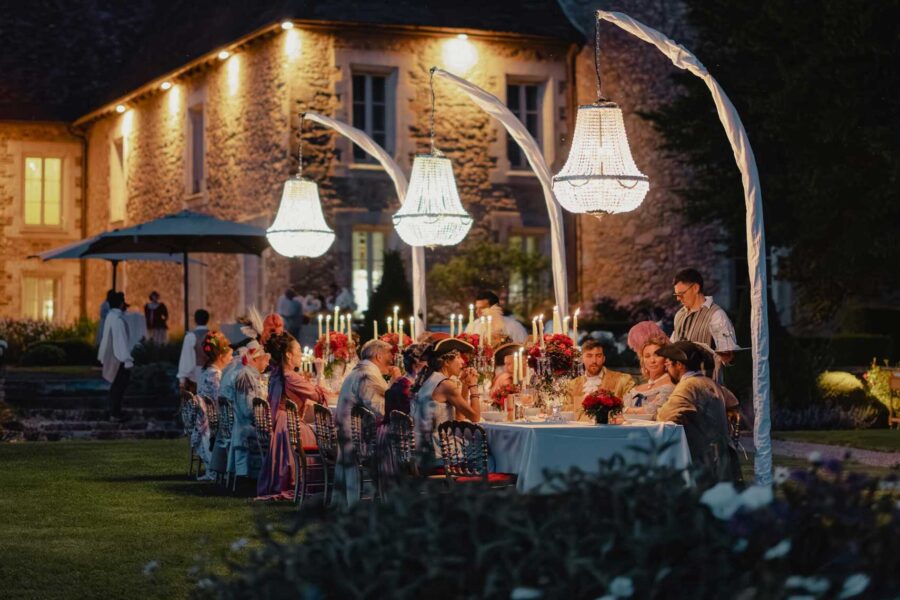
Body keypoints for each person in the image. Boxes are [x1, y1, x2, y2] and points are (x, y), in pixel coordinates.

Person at [655, 341, 742, 483]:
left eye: (669, 364)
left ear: (679, 365)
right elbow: (733, 402)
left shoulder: (689, 385)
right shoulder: (709, 382)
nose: (667, 369)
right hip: (722, 456)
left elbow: (665, 415)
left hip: (704, 461)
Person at [257, 332, 328, 500]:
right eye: (298, 350)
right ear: (288, 355)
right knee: (325, 437)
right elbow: (319, 397)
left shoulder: (276, 374)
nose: (301, 354)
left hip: (280, 423)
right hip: (290, 427)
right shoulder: (291, 376)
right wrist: (320, 372)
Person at [333, 339, 402, 506]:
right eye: (389, 355)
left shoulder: (360, 372)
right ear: (378, 356)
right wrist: (399, 382)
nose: (392, 359)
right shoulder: (367, 375)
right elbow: (384, 409)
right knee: (408, 446)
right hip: (361, 441)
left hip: (350, 435)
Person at [411, 338, 482, 467]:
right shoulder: (446, 385)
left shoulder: (429, 379)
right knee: (487, 451)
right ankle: (473, 486)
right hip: (436, 453)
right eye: (458, 358)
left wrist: (465, 386)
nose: (462, 362)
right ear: (447, 362)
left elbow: (460, 418)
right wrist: (474, 385)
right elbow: (475, 417)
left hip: (421, 450)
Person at [671, 268, 740, 382]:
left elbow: (729, 357)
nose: (678, 298)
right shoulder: (679, 315)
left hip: (706, 386)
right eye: (676, 294)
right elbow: (674, 346)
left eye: (681, 294)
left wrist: (727, 357)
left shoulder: (717, 315)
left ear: (695, 288)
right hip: (681, 385)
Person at [225, 341, 270, 487]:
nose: (268, 363)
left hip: (246, 425)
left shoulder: (252, 375)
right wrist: (266, 417)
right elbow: (247, 408)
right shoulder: (246, 376)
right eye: (265, 359)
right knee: (281, 435)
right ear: (255, 359)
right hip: (247, 426)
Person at [565, 339, 635, 422]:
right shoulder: (572, 386)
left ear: (603, 358)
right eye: (589, 356)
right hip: (579, 432)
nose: (594, 361)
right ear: (582, 359)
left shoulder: (623, 380)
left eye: (598, 356)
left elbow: (632, 409)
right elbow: (565, 413)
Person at [194, 330, 231, 481]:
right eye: (229, 357)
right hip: (213, 422)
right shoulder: (216, 375)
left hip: (204, 418)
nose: (230, 360)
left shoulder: (204, 371)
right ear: (221, 357)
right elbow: (220, 401)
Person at [97, 291, 133, 421]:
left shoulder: (110, 317)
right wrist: (127, 360)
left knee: (116, 386)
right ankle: (115, 412)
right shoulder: (118, 320)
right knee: (119, 386)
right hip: (118, 358)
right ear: (121, 304)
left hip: (111, 356)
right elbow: (120, 341)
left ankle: (114, 411)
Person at [622, 332, 674, 421]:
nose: (652, 360)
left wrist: (628, 410)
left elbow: (654, 411)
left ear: (666, 358)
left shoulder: (671, 385)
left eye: (657, 355)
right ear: (643, 361)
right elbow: (621, 410)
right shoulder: (637, 389)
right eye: (647, 356)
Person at [177, 309, 210, 393]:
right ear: (207, 320)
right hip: (213, 372)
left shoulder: (190, 337)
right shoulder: (215, 335)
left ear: (195, 320)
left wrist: (182, 380)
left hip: (196, 374)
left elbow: (186, 358)